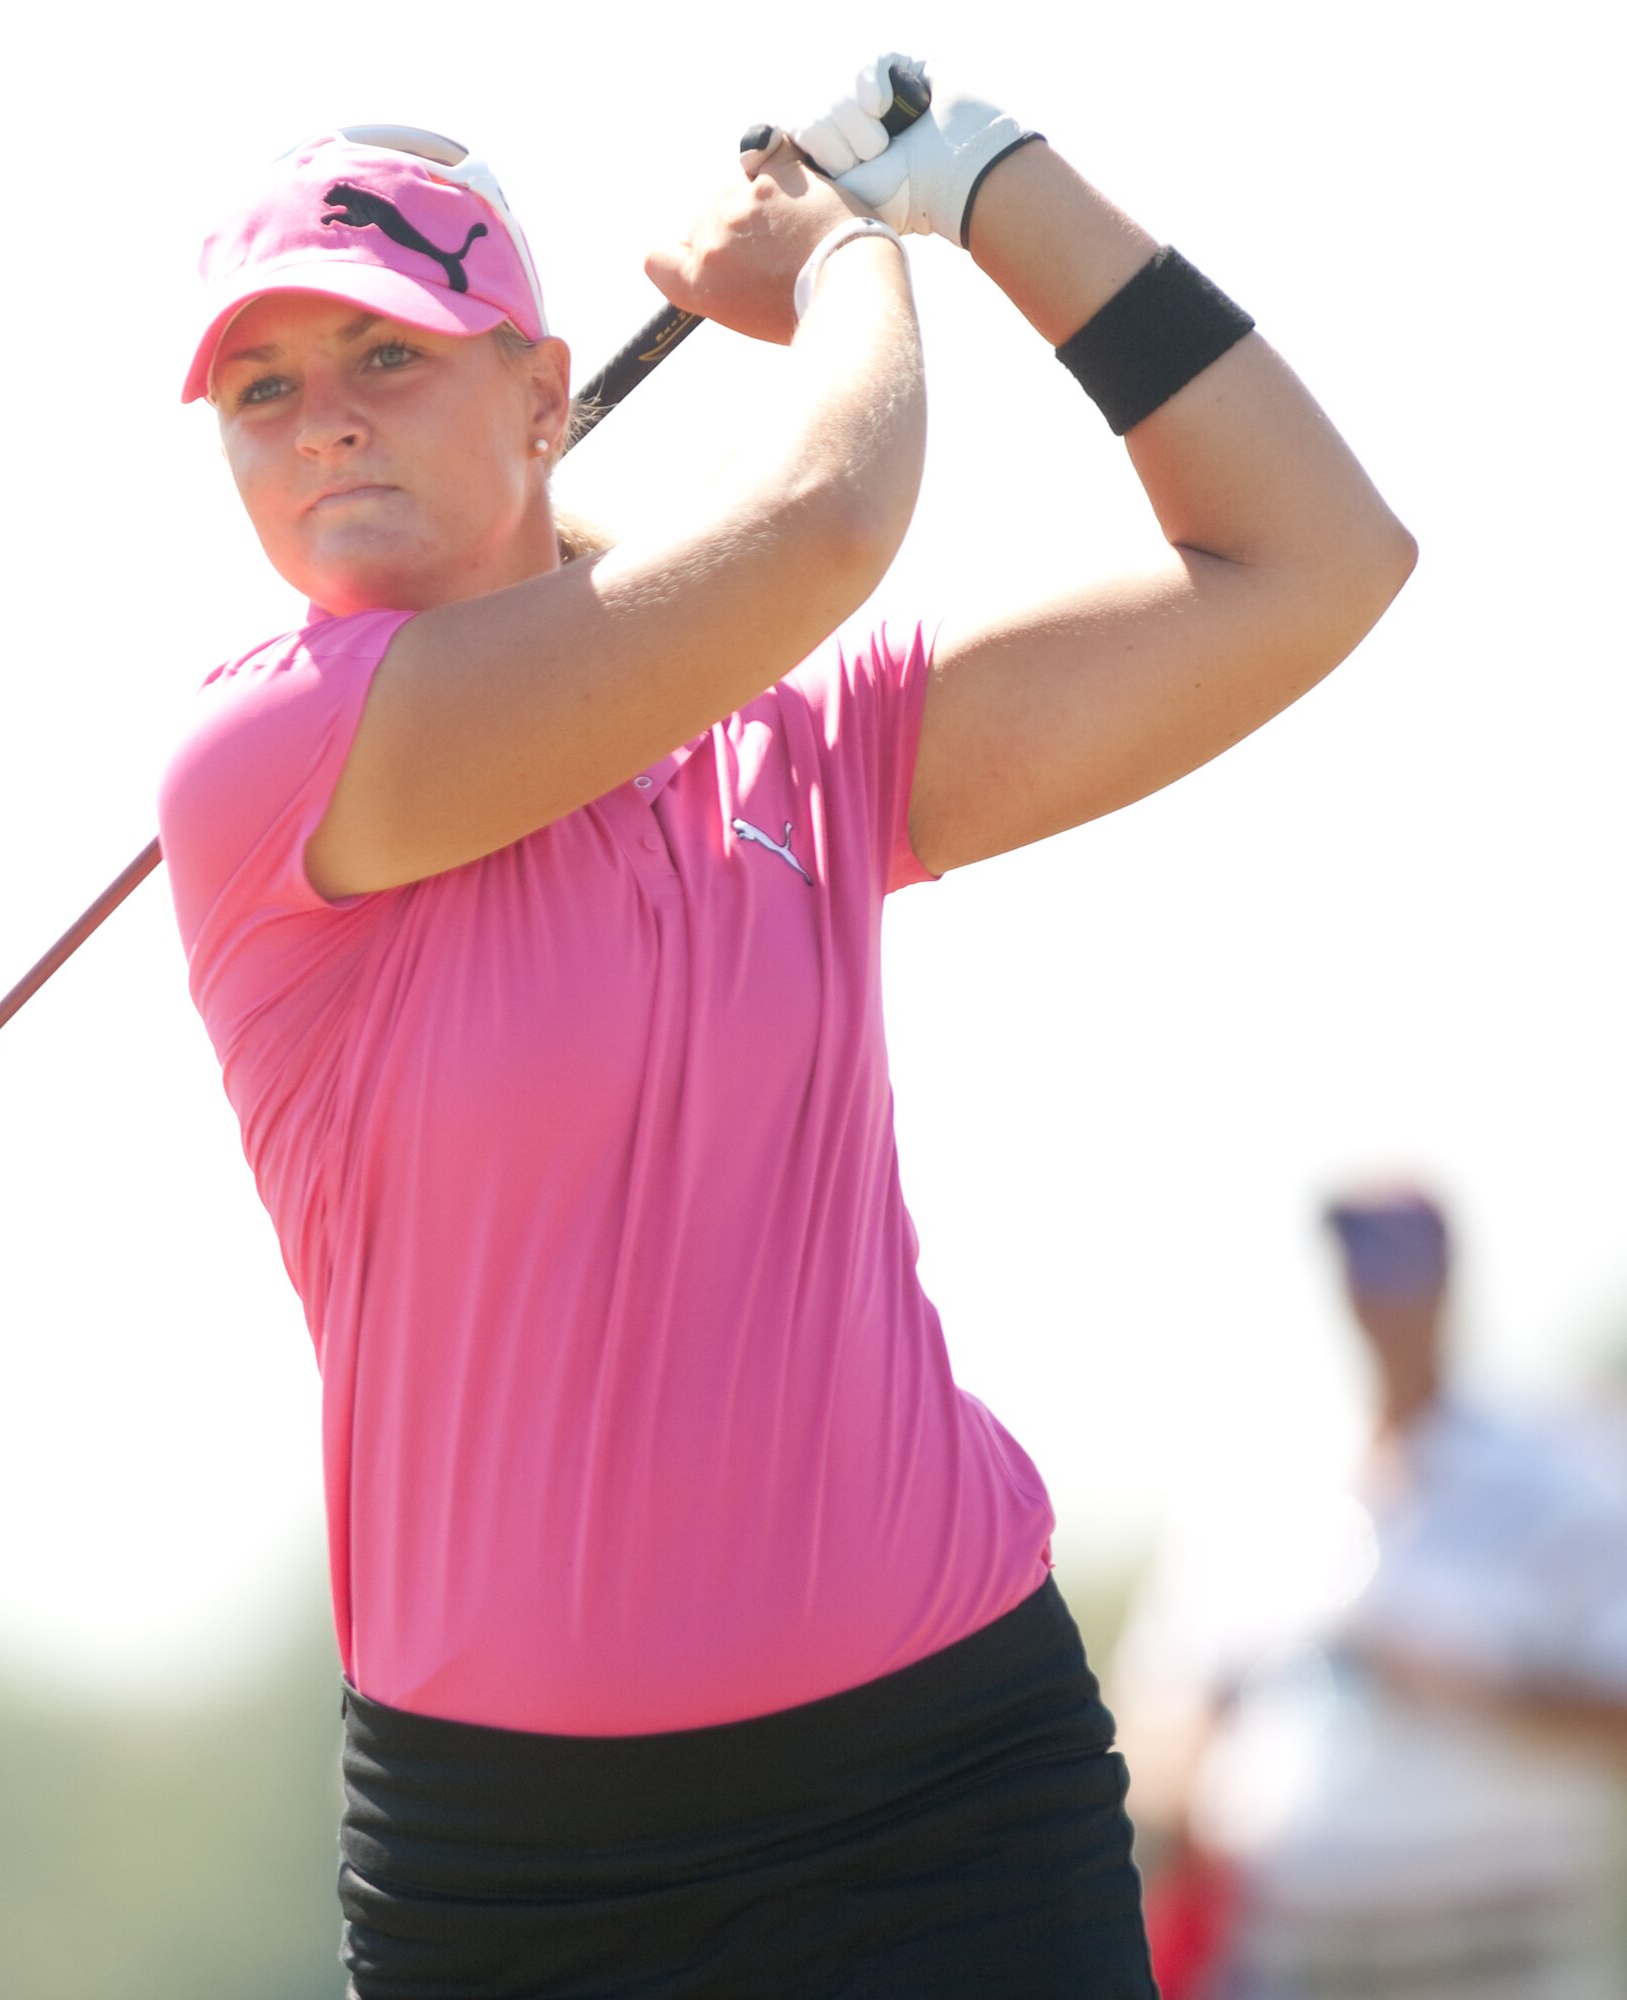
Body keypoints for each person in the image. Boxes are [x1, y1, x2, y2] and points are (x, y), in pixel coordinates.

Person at [151, 55, 1416, 1997]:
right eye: (266, 393)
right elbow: (831, 518)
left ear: (548, 395)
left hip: (948, 1790)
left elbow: (1315, 557)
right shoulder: (265, 755)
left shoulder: (802, 754)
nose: (324, 426)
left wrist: (992, 184)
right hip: (523, 1872)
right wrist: (844, 261)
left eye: (389, 359)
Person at [1117, 1188, 1627, 1998]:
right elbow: (1154, 1730)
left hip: (1501, 1962)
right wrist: (1192, 1776)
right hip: (1285, 1961)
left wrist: (1474, 1685)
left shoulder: (1563, 1469)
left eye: (1399, 1260)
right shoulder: (1252, 1487)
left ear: (1447, 1278)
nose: (1378, 1289)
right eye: (1359, 1261)